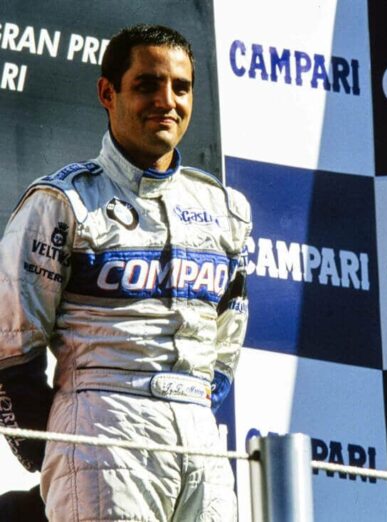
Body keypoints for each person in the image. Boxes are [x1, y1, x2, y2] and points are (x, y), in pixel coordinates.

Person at [0, 24, 251, 521]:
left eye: (181, 87)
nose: (167, 101)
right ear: (107, 93)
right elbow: (10, 349)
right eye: (147, 85)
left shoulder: (226, 209)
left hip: (201, 442)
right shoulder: (64, 201)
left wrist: (192, 408)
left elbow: (225, 346)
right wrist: (55, 447)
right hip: (103, 428)